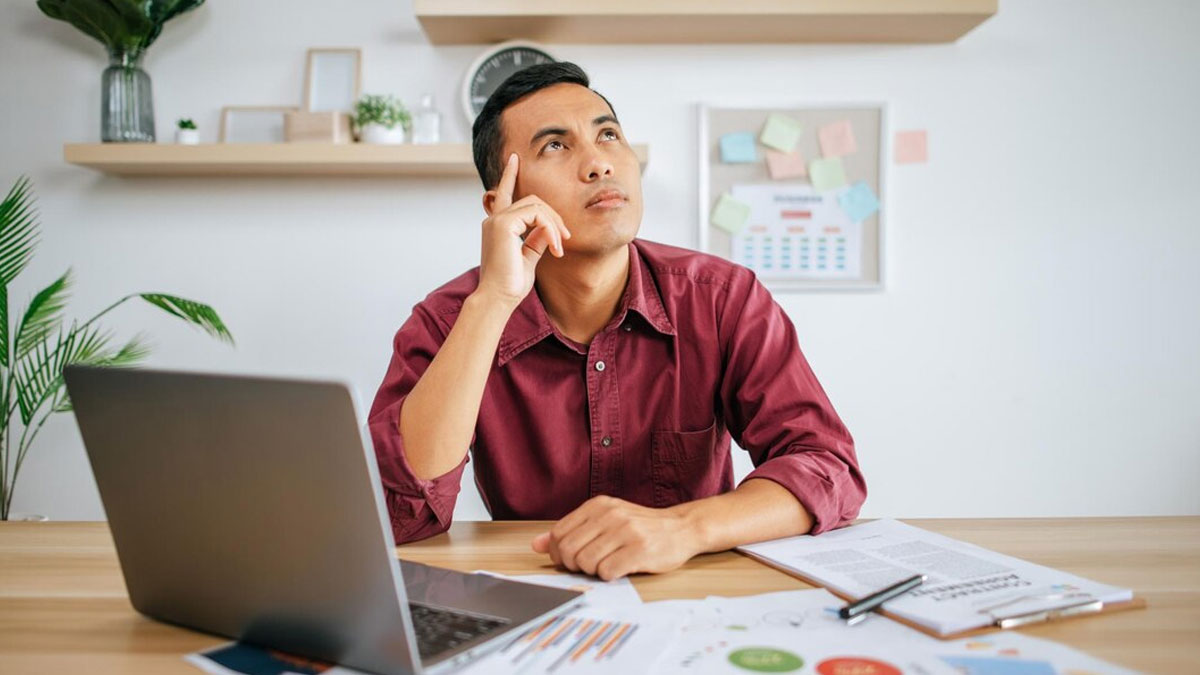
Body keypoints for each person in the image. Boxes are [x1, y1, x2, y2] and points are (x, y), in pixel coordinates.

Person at [368, 62, 865, 581]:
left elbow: (828, 467)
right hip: (536, 593)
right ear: (503, 203)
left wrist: (684, 528)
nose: (599, 163)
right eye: (555, 146)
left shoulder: (722, 299)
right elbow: (397, 513)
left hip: (695, 588)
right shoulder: (448, 322)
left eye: (608, 135)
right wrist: (493, 300)